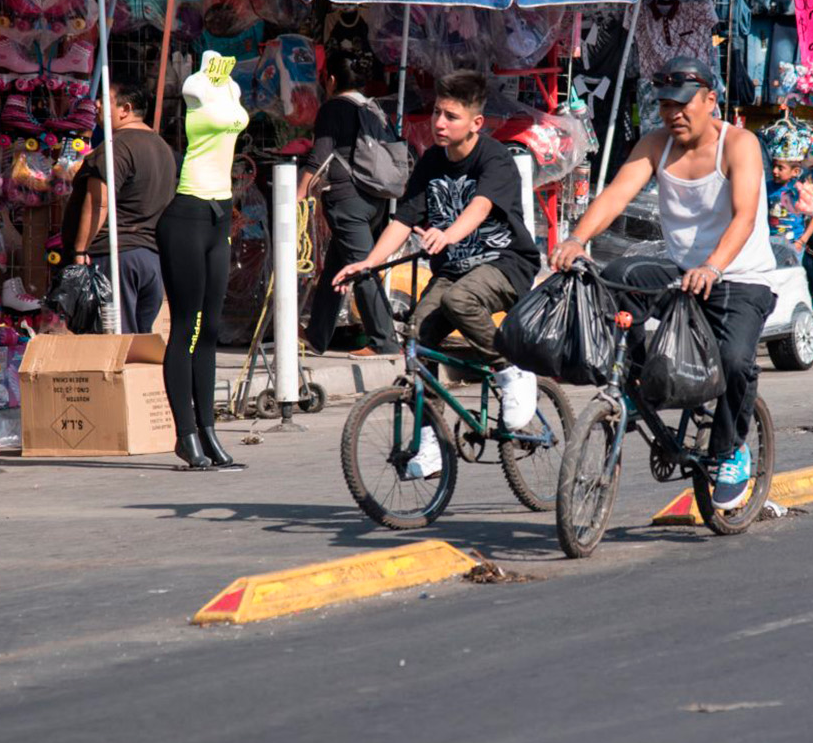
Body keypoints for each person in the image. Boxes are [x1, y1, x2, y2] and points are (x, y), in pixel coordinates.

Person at [552, 56, 775, 511]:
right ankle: (633, 378)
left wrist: (712, 266)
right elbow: (616, 194)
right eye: (665, 105)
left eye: (682, 104)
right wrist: (576, 239)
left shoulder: (739, 144)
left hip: (739, 277)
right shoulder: (656, 144)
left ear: (710, 100)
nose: (672, 114)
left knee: (733, 361)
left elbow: (745, 216)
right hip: (682, 271)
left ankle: (731, 449)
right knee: (613, 278)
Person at [333, 70, 540, 479]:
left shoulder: (494, 158)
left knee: (458, 300)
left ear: (476, 123)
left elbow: (479, 208)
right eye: (436, 113)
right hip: (455, 271)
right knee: (417, 337)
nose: (439, 123)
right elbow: (403, 221)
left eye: (451, 116)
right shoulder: (430, 161)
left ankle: (509, 370)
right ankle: (430, 443)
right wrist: (368, 263)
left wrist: (447, 234)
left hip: (504, 265)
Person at [157, 51, 247, 471]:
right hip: (187, 213)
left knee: (209, 329)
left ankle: (208, 430)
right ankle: (186, 433)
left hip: (220, 214)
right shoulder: (194, 85)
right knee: (185, 326)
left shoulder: (232, 85)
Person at [300, 51, 400, 357]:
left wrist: (298, 195)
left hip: (347, 201)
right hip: (375, 199)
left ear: (330, 80)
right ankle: (317, 336)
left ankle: (384, 342)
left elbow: (319, 158)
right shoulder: (373, 108)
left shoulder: (332, 108)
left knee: (362, 269)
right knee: (338, 265)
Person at [65, 78, 176, 336]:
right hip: (149, 260)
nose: (97, 105)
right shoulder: (162, 148)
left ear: (125, 109)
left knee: (114, 343)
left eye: (105, 100)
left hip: (116, 257)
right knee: (135, 341)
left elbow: (98, 202)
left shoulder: (115, 148)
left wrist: (80, 252)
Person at [766, 140, 813, 301]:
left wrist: (802, 240)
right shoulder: (767, 187)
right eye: (774, 166)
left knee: (791, 278)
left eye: (780, 168)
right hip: (770, 242)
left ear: (795, 171)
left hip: (793, 243)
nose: (775, 171)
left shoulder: (800, 189)